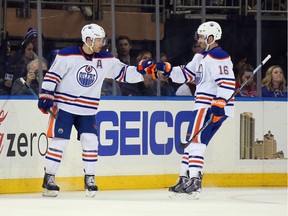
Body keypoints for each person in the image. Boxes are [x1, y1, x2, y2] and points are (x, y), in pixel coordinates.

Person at [37, 23, 155, 197]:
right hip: (64, 106)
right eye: (99, 39)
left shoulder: (106, 59)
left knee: (91, 141)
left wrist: (142, 71)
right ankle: (49, 178)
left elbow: (124, 73)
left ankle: (90, 178)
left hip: (88, 109)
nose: (102, 43)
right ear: (88, 39)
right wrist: (46, 95)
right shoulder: (67, 54)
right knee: (59, 142)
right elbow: (52, 76)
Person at [155, 21, 235, 199]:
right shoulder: (201, 57)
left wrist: (219, 103)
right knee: (191, 141)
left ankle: (195, 181)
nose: (198, 40)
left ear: (211, 38)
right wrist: (167, 69)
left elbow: (227, 82)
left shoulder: (218, 55)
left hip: (210, 106)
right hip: (203, 105)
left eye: (201, 36)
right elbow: (186, 74)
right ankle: (184, 179)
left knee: (196, 142)